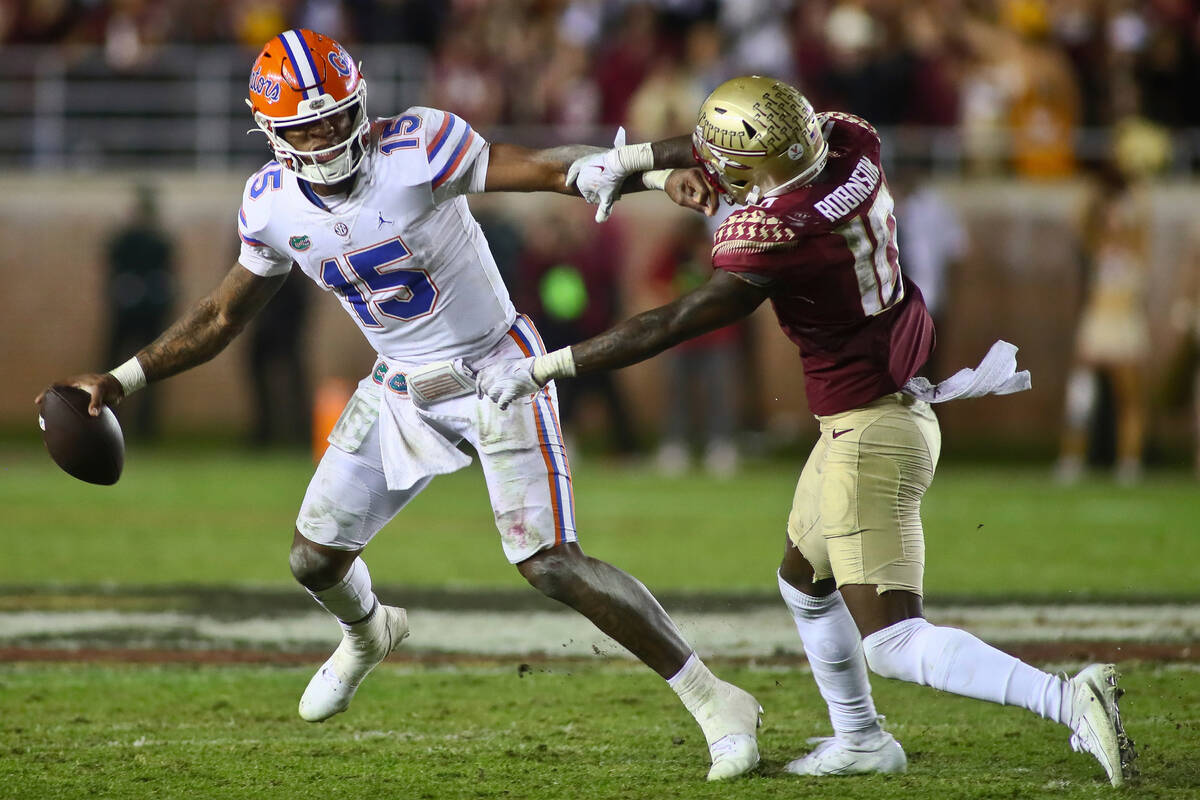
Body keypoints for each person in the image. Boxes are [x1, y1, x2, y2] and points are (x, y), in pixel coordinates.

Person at [36, 30, 760, 782]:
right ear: (273, 135)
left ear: (360, 105)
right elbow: (223, 317)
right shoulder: (271, 203)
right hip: (400, 384)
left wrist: (651, 169)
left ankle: (715, 701)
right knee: (312, 557)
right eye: (306, 127)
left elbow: (546, 168)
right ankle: (368, 631)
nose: (326, 137)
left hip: (497, 366)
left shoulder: (417, 146)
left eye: (335, 116)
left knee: (550, 563)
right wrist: (119, 380)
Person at [477, 75, 1137, 787]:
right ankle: (860, 738)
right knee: (803, 580)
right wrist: (643, 162)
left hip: (873, 432)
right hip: (874, 412)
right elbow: (732, 153)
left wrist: (548, 367)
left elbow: (671, 321)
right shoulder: (853, 145)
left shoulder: (779, 231)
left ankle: (1067, 699)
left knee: (893, 638)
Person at [1055, 161, 1152, 485]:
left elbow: (1144, 215)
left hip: (1124, 323)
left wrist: (1133, 182)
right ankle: (1071, 458)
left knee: (1129, 397)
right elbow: (1079, 218)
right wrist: (1096, 186)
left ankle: (1129, 462)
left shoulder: (1136, 248)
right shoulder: (1096, 248)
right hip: (1098, 322)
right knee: (1081, 394)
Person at [104, 182, 176, 441]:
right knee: (121, 370)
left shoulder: (143, 242)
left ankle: (139, 427)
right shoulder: (149, 242)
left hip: (141, 316)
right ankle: (112, 421)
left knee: (144, 371)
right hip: (133, 316)